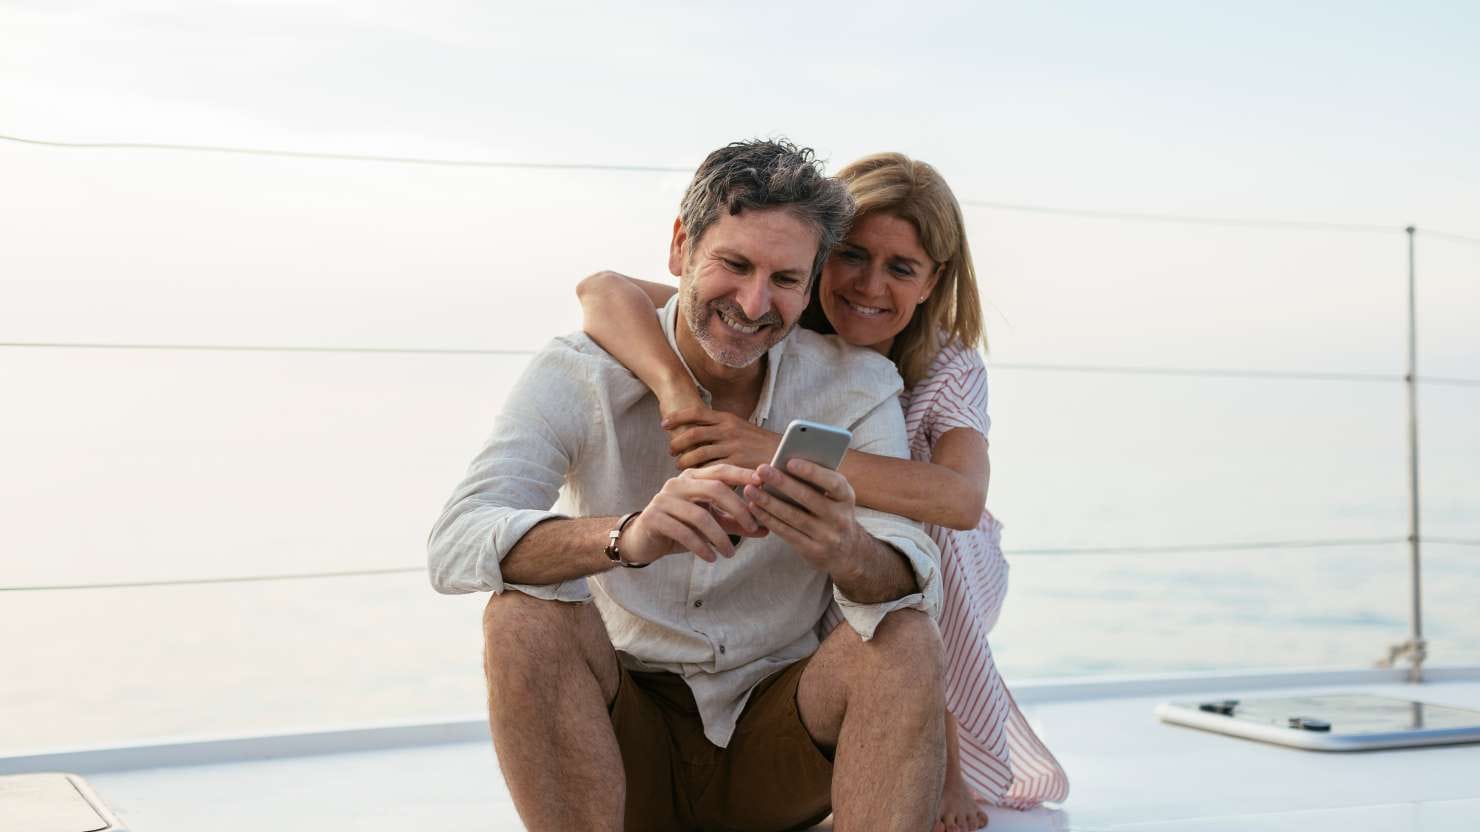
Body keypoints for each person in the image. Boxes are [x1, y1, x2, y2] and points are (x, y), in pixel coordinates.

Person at [428, 139, 950, 832]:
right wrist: (626, 536)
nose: (754, 302)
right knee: (520, 618)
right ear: (680, 248)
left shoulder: (856, 385)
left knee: (906, 637)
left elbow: (911, 573)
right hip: (624, 731)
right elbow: (456, 543)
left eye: (786, 280)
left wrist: (846, 547)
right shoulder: (579, 371)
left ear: (812, 281)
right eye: (733, 264)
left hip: (780, 736)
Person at [577, 152, 1069, 831]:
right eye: (851, 256)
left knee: (912, 540)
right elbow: (602, 289)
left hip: (930, 541)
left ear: (934, 282)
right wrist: (675, 389)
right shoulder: (774, 312)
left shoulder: (947, 364)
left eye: (901, 268)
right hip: (808, 532)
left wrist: (770, 450)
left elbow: (960, 498)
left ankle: (944, 741)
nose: (870, 284)